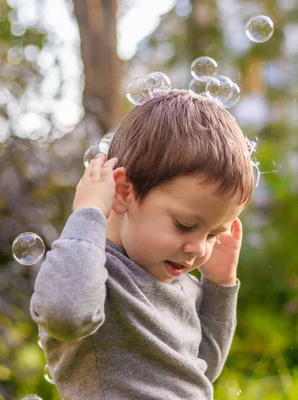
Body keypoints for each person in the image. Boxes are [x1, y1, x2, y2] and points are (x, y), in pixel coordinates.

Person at [30, 90, 254, 400]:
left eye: (213, 234)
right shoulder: (94, 273)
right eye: (186, 225)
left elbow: (198, 372)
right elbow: (66, 315)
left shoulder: (176, 281)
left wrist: (219, 286)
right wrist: (89, 212)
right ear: (122, 192)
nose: (199, 248)